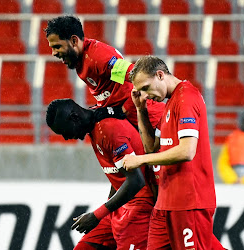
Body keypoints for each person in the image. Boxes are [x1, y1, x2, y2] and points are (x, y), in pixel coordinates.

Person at [122, 56, 225, 250]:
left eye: (145, 88)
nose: (145, 95)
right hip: (165, 203)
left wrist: (140, 160)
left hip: (189, 201)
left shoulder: (186, 97)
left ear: (160, 75)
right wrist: (141, 110)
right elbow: (152, 148)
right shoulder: (170, 103)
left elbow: (187, 151)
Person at [46, 98, 155, 250]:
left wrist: (97, 215)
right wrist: (108, 206)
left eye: (65, 131)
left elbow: (136, 181)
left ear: (74, 117)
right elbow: (119, 174)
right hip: (120, 207)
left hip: (140, 208)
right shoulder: (94, 125)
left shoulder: (109, 129)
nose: (66, 138)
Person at [44, 15, 164, 128]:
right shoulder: (82, 60)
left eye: (57, 47)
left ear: (74, 41)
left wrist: (121, 110)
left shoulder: (97, 58)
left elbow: (139, 77)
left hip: (154, 123)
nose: (53, 53)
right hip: (134, 125)